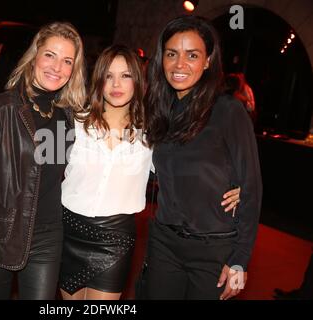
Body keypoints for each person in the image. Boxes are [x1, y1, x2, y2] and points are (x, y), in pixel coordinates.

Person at [59, 45, 241, 300]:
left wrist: (235, 183)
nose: (116, 84)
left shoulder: (152, 132)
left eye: (126, 76)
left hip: (115, 238)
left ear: (138, 80)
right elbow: (40, 172)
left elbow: (187, 167)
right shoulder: (74, 122)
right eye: (109, 75)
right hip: (68, 231)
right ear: (98, 80)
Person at [142, 16, 262, 300]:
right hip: (164, 244)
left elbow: (252, 187)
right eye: (172, 54)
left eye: (192, 55)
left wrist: (239, 259)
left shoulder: (229, 111)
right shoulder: (159, 109)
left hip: (214, 249)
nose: (179, 64)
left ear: (208, 60)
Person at [0, 21, 86, 300]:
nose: (57, 67)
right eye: (50, 55)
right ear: (34, 56)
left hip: (48, 234)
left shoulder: (69, 116)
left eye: (67, 61)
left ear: (74, 70)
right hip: (2, 234)